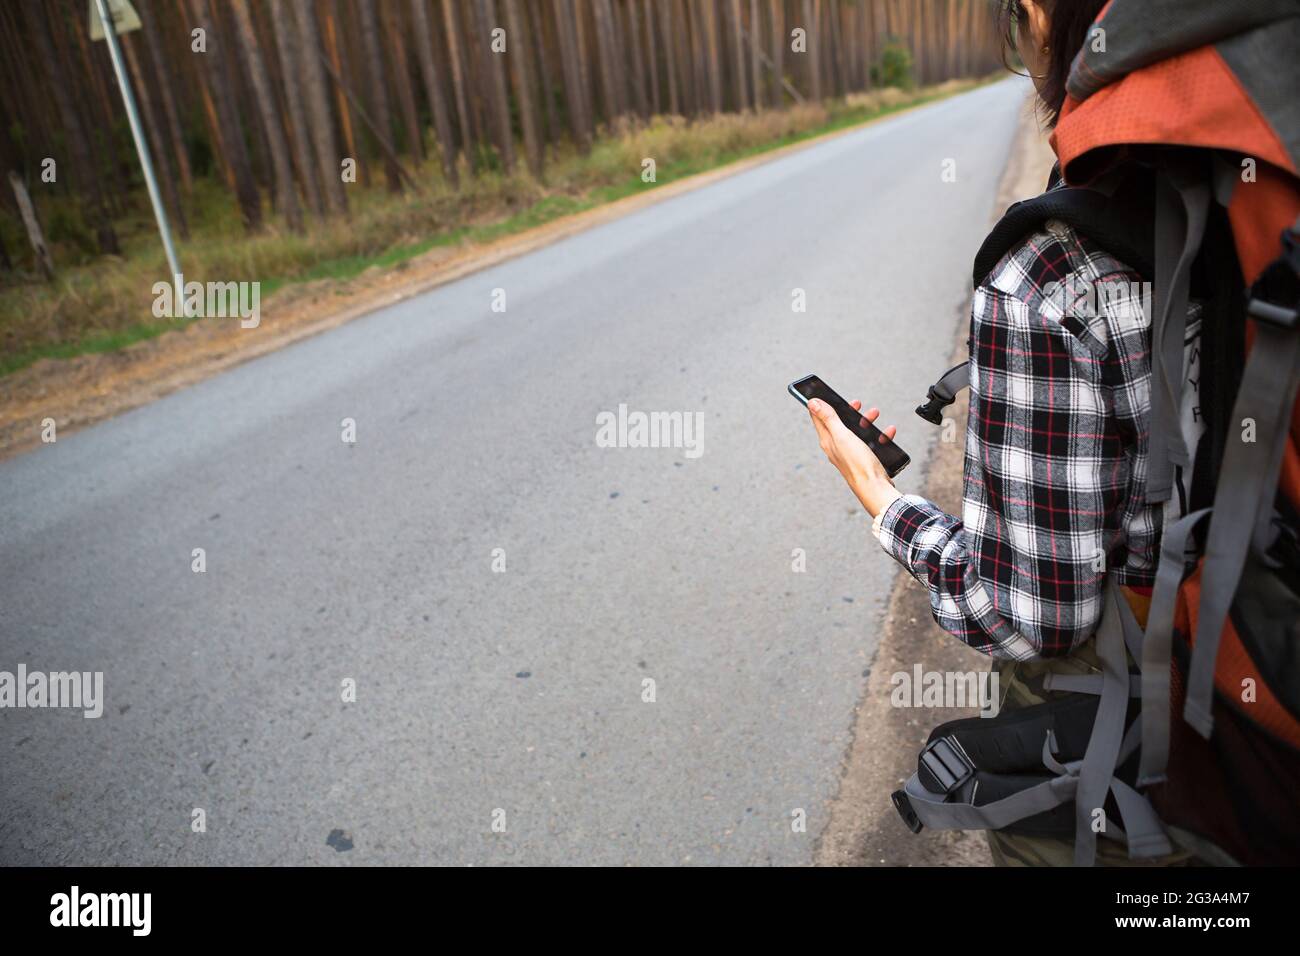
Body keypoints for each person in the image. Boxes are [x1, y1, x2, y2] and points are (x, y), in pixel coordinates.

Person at [805, 0, 1202, 866]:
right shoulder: (1255, 199)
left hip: (1148, 751)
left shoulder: (1051, 270)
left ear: (1036, 16)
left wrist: (882, 500)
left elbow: (1031, 614)